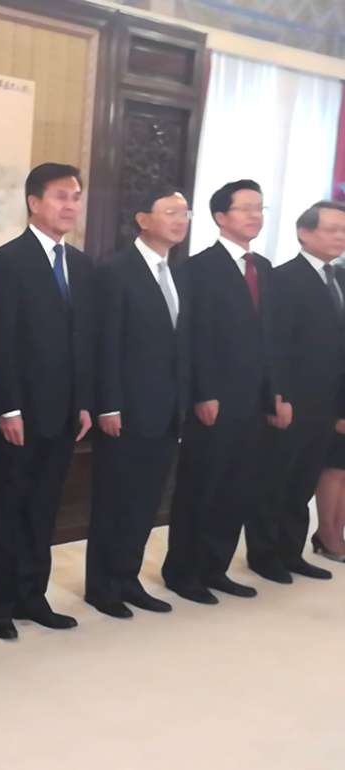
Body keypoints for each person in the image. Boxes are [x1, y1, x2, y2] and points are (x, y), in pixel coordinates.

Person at [0, 162, 94, 641]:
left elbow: (83, 341)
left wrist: (84, 401)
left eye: (76, 197)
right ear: (34, 202)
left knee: (44, 508)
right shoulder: (8, 260)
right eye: (61, 196)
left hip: (64, 412)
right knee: (7, 506)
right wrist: (8, 407)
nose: (71, 205)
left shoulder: (80, 265)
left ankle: (31, 594)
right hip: (20, 412)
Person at [161, 179, 279, 605]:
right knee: (201, 486)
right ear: (221, 217)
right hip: (213, 399)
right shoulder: (197, 268)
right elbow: (191, 337)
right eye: (246, 208)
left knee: (237, 487)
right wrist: (202, 393)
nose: (255, 215)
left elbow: (269, 337)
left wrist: (274, 394)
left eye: (260, 208)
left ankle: (216, 567)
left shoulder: (263, 267)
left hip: (253, 400)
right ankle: (183, 571)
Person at [84, 188, 191, 619]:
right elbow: (105, 342)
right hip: (125, 409)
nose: (180, 220)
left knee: (146, 501)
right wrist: (108, 404)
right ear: (143, 220)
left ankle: (128, 577)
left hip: (165, 410)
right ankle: (103, 585)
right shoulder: (116, 270)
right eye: (170, 212)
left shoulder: (177, 272)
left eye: (184, 213)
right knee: (116, 499)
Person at [248, 201, 345, 582]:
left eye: (343, 230)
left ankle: (291, 551)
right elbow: (274, 343)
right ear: (304, 233)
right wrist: (278, 396)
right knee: (276, 480)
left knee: (303, 481)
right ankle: (264, 554)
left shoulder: (337, 277)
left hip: (326, 402)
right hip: (292, 400)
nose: (340, 236)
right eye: (332, 229)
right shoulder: (284, 277)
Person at [314, 246, 345, 564]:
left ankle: (337, 529)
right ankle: (328, 532)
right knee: (335, 463)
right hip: (335, 385)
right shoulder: (336, 275)